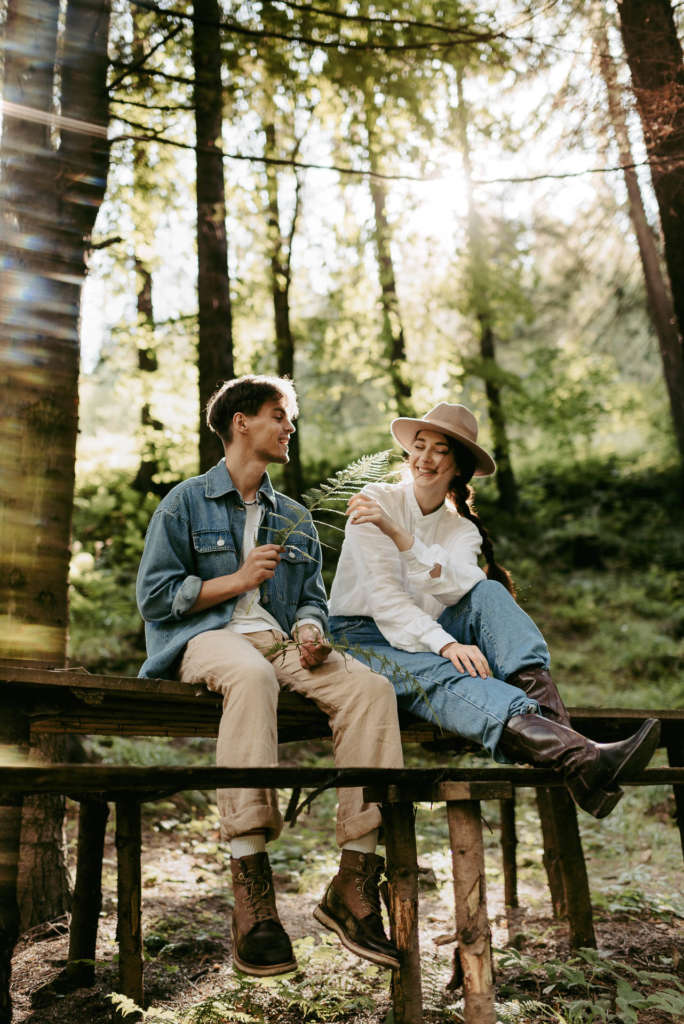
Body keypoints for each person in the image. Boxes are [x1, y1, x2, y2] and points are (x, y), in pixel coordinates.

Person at [136, 375, 404, 977]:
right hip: (205, 641)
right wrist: (236, 580)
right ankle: (252, 890)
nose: (289, 427)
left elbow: (312, 599)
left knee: (371, 689)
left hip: (278, 643)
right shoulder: (185, 502)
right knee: (251, 676)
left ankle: (355, 880)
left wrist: (309, 630)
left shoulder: (295, 517)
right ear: (242, 423)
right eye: (278, 415)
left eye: (290, 418)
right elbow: (154, 598)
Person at [328, 402, 660, 819]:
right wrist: (446, 645)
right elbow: (387, 603)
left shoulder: (461, 530)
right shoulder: (375, 502)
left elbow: (459, 589)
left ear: (459, 468)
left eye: (440, 450)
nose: (424, 458)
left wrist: (403, 540)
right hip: (360, 638)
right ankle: (582, 757)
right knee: (448, 673)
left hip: (425, 634)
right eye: (419, 446)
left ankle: (575, 756)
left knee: (488, 593)